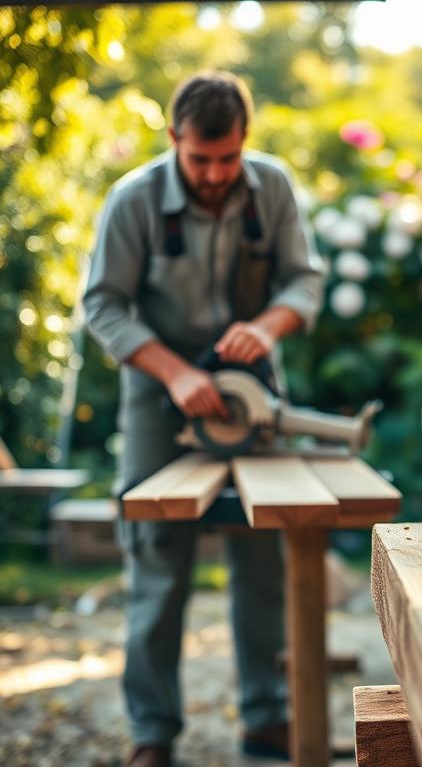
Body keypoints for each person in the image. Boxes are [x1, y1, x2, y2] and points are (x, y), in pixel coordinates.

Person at [82, 70, 326, 767]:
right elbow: (102, 304)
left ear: (245, 139)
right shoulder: (132, 200)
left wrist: (268, 328)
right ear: (173, 139)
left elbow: (304, 279)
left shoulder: (271, 186)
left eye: (229, 157)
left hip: (252, 388)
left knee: (263, 550)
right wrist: (176, 372)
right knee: (157, 555)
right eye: (200, 160)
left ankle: (267, 719)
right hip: (159, 392)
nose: (217, 175)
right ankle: (153, 733)